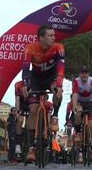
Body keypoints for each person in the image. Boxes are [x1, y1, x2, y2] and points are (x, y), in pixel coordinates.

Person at [21, 25, 65, 162]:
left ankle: (55, 116)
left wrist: (58, 85)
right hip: (36, 79)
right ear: (41, 38)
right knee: (33, 109)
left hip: (51, 78)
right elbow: (26, 68)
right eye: (50, 35)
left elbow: (61, 67)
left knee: (58, 91)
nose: (54, 38)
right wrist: (26, 84)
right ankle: (32, 146)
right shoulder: (30, 48)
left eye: (54, 35)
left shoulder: (59, 48)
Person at [72, 66, 92, 162]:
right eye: (82, 73)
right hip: (80, 102)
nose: (84, 75)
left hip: (90, 103)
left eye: (86, 73)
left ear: (88, 74)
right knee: (78, 112)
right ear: (80, 74)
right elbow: (75, 95)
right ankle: (78, 132)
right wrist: (75, 106)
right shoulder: (76, 81)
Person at [14, 80, 30, 157]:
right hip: (22, 104)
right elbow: (17, 100)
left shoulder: (34, 84)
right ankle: (18, 145)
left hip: (31, 103)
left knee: (30, 122)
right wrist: (17, 111)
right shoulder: (18, 85)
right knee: (19, 120)